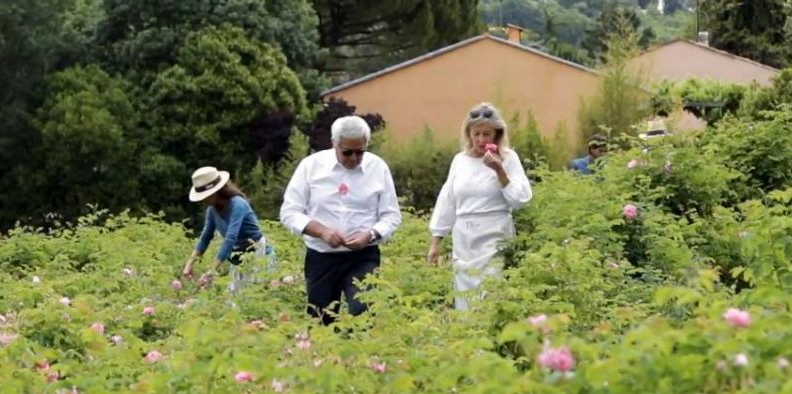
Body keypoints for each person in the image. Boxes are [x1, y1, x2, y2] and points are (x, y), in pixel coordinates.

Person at [280, 115, 401, 325]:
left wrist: (370, 234)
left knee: (363, 311)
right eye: (347, 152)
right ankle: (326, 356)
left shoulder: (377, 168)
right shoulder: (311, 166)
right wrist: (322, 232)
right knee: (321, 318)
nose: (354, 158)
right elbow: (290, 212)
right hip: (322, 256)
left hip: (363, 256)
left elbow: (391, 215)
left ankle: (364, 354)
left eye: (360, 152)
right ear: (334, 144)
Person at [427, 102, 532, 311]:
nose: (481, 140)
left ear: (496, 135)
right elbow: (448, 199)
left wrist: (500, 171)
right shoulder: (460, 161)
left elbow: (521, 199)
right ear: (469, 133)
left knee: (490, 289)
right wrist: (435, 240)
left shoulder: (508, 158)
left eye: (487, 134)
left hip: (494, 232)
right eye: (476, 134)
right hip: (464, 237)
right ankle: (468, 338)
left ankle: (491, 338)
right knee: (464, 293)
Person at [182, 166, 271, 292]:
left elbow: (230, 238)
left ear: (215, 192)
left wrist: (211, 271)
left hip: (255, 249)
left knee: (251, 290)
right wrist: (189, 265)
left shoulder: (238, 204)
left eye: (204, 195)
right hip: (237, 252)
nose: (202, 200)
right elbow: (205, 238)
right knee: (235, 292)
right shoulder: (212, 211)